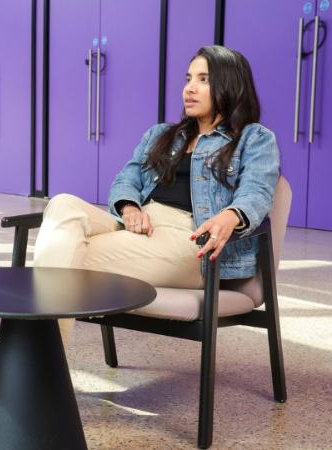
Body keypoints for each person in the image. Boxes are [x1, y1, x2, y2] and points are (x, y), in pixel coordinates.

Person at [34, 45, 280, 347]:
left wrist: (231, 216)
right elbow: (128, 177)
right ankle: (43, 355)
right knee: (63, 205)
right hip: (138, 224)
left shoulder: (254, 138)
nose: (189, 88)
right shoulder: (162, 133)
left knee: (65, 257)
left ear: (230, 85)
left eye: (203, 79)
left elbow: (258, 190)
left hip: (191, 238)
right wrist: (129, 208)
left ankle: (40, 351)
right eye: (188, 78)